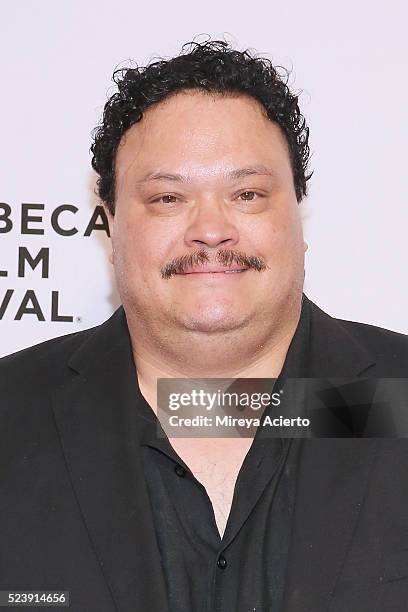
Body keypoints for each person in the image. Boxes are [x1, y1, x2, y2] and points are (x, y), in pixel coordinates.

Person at [1, 39, 408, 612]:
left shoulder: (400, 396)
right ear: (111, 227)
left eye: (247, 194)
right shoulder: (11, 414)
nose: (211, 230)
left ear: (298, 215)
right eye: (168, 197)